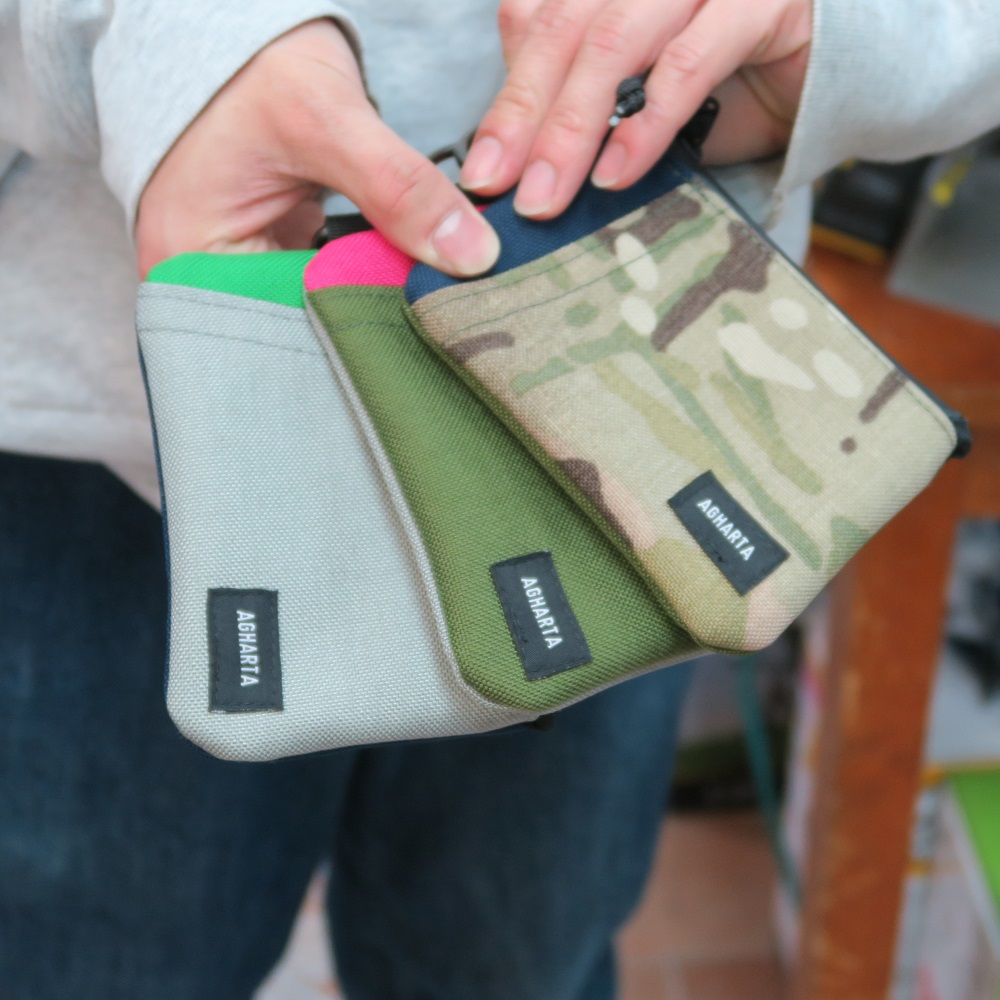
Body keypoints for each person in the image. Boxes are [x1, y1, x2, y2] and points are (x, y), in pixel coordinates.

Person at [1, 2, 999, 997]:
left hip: (636, 368)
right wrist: (181, 49)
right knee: (108, 965)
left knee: (516, 964)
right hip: (114, 426)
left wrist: (844, 32)